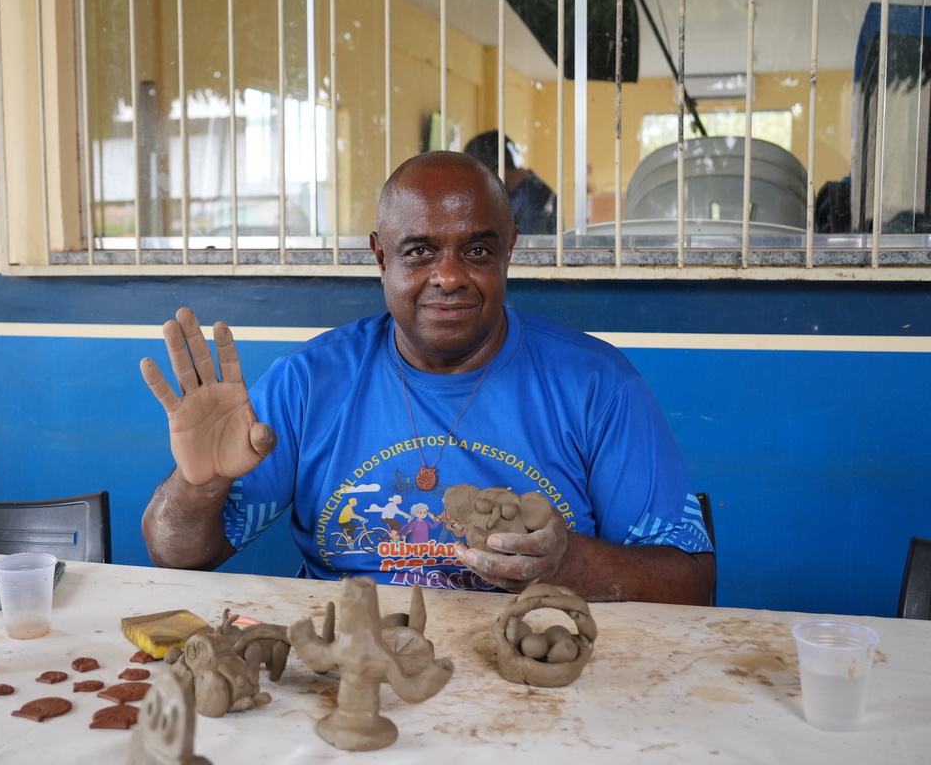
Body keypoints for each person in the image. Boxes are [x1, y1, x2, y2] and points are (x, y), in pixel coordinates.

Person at [140, 151, 714, 604]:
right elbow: (179, 556)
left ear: (509, 251)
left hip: (534, 674)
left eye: (477, 251)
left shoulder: (598, 386)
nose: (449, 277)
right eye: (419, 251)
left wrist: (571, 567)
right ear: (380, 256)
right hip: (352, 666)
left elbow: (693, 585)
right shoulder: (309, 383)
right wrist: (200, 484)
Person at [463, 130, 557, 236]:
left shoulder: (533, 200)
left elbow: (527, 250)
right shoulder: (525, 191)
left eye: (480, 178)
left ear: (494, 171)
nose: (480, 188)